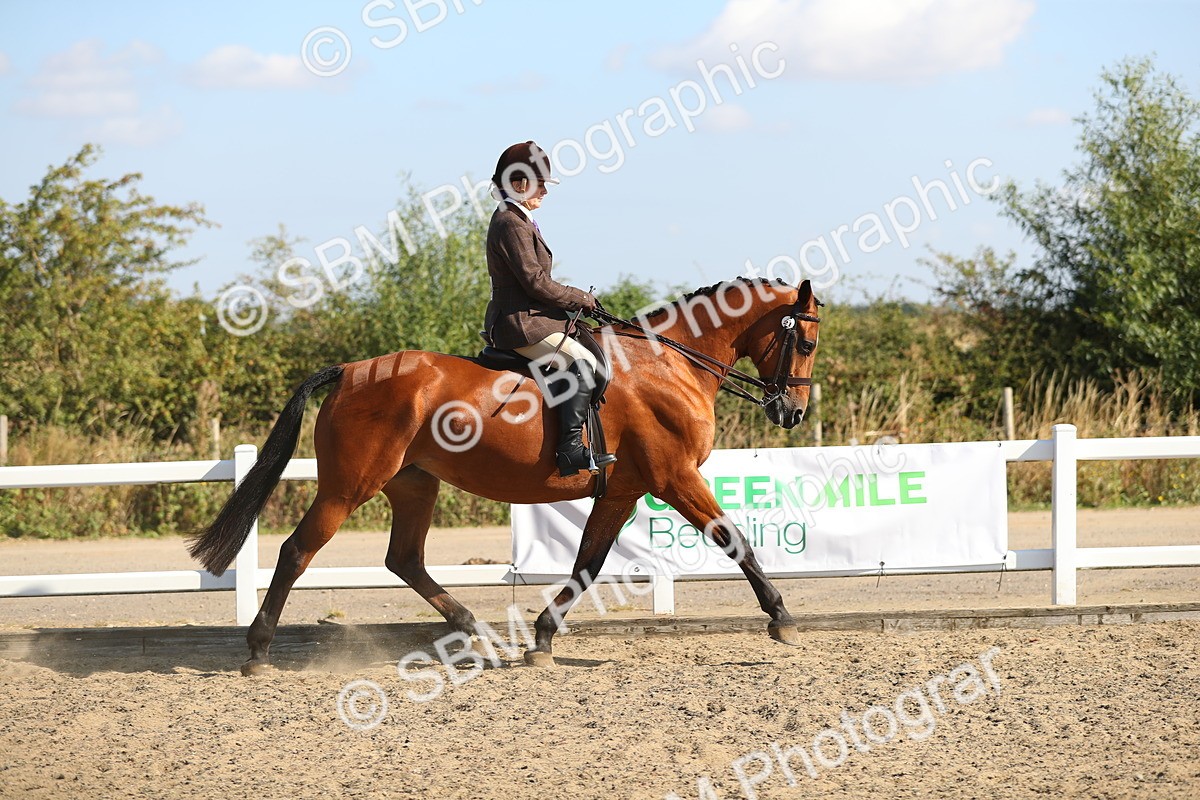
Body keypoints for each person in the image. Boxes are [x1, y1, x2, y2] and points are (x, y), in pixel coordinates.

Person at [483, 140, 617, 477]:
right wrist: (578, 297)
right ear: (518, 183)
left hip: (536, 319)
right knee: (583, 363)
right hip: (521, 324)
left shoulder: (520, 218)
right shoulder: (510, 222)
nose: (545, 190)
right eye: (539, 182)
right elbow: (535, 282)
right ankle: (569, 450)